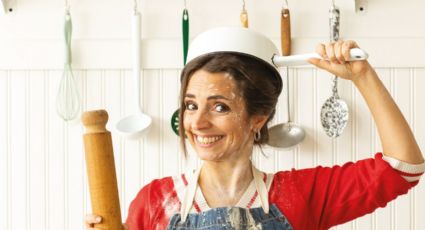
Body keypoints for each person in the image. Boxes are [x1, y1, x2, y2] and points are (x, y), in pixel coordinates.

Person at [85, 27, 424, 230]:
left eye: (220, 106)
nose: (198, 123)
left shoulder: (301, 195)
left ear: (257, 117)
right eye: (190, 105)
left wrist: (363, 77)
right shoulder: (154, 202)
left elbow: (403, 168)